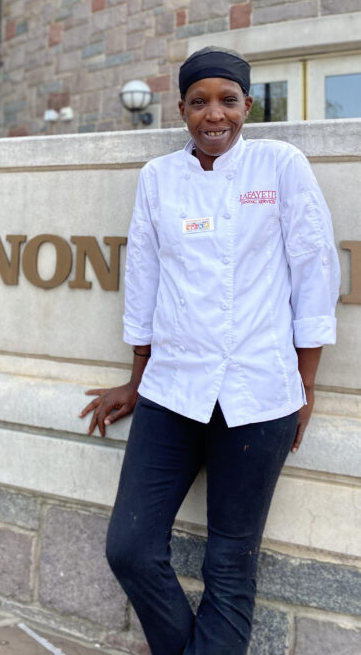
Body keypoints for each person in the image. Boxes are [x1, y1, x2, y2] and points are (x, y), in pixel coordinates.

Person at [80, 47, 340, 655]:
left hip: (259, 394)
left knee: (230, 564)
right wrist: (134, 380)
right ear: (181, 110)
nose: (213, 114)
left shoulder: (280, 166)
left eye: (227, 100)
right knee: (131, 548)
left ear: (248, 105)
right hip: (172, 391)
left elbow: (314, 274)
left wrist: (303, 386)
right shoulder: (159, 179)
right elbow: (142, 283)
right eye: (200, 102)